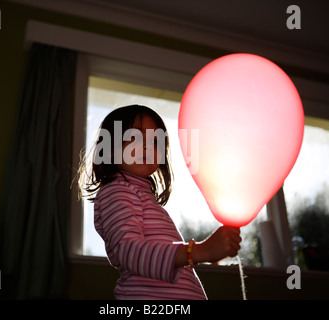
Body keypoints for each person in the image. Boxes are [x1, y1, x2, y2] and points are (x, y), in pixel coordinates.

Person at [78, 104, 242, 300]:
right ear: (110, 149)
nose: (147, 146)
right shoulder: (116, 191)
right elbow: (129, 251)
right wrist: (198, 252)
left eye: (156, 141)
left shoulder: (142, 196)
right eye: (135, 137)